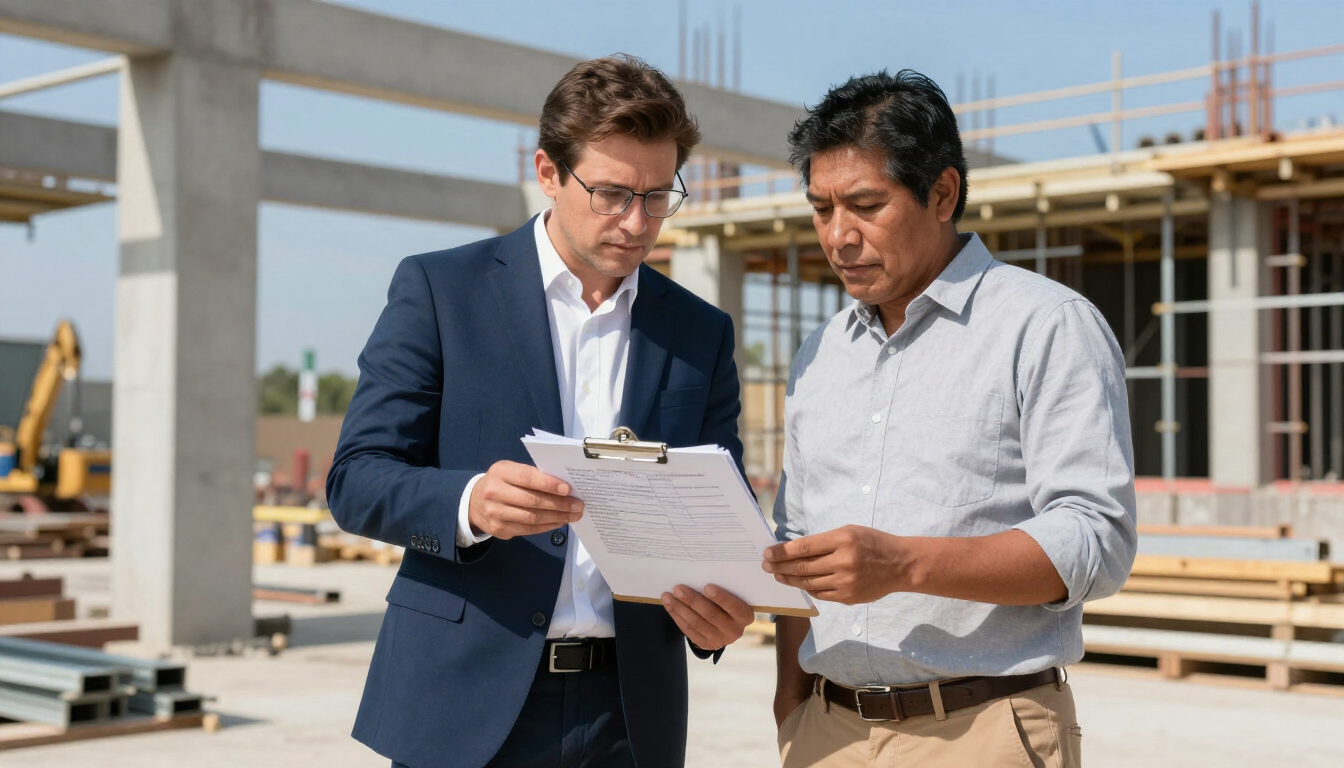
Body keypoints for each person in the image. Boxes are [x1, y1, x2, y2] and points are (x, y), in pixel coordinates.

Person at [327, 54, 754, 768]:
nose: (638, 221)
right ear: (549, 173)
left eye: (658, 195)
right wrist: (470, 502)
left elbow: (716, 517)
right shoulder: (440, 291)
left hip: (630, 716)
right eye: (613, 193)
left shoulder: (700, 332)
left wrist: (719, 614)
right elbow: (357, 480)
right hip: (464, 708)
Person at [764, 70, 1137, 768]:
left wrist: (902, 564)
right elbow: (799, 540)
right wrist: (791, 704)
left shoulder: (1046, 326)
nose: (838, 236)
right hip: (827, 732)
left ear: (942, 194)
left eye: (866, 205)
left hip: (981, 729)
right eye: (820, 209)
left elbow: (1096, 539)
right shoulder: (821, 356)